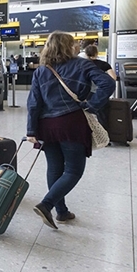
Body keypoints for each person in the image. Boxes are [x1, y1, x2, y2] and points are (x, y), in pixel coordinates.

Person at [26, 31, 114, 228]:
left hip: (47, 126)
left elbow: (33, 103)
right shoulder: (82, 64)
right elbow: (108, 83)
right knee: (74, 170)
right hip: (71, 123)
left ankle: (62, 212)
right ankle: (47, 205)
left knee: (54, 168)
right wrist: (92, 105)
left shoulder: (42, 70)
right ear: (69, 46)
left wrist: (31, 130)